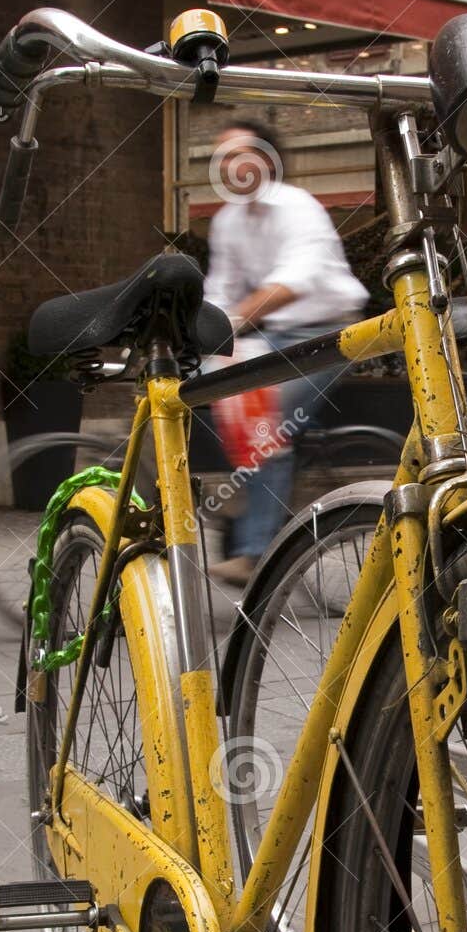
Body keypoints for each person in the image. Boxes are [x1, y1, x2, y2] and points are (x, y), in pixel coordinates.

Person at [202, 118, 369, 584]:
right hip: (274, 334)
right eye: (221, 158)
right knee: (207, 385)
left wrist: (234, 321)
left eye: (238, 153)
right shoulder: (227, 221)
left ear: (266, 159)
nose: (229, 165)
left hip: (328, 334)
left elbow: (298, 278)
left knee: (264, 422)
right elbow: (221, 288)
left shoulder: (298, 207)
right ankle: (258, 483)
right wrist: (208, 334)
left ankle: (256, 554)